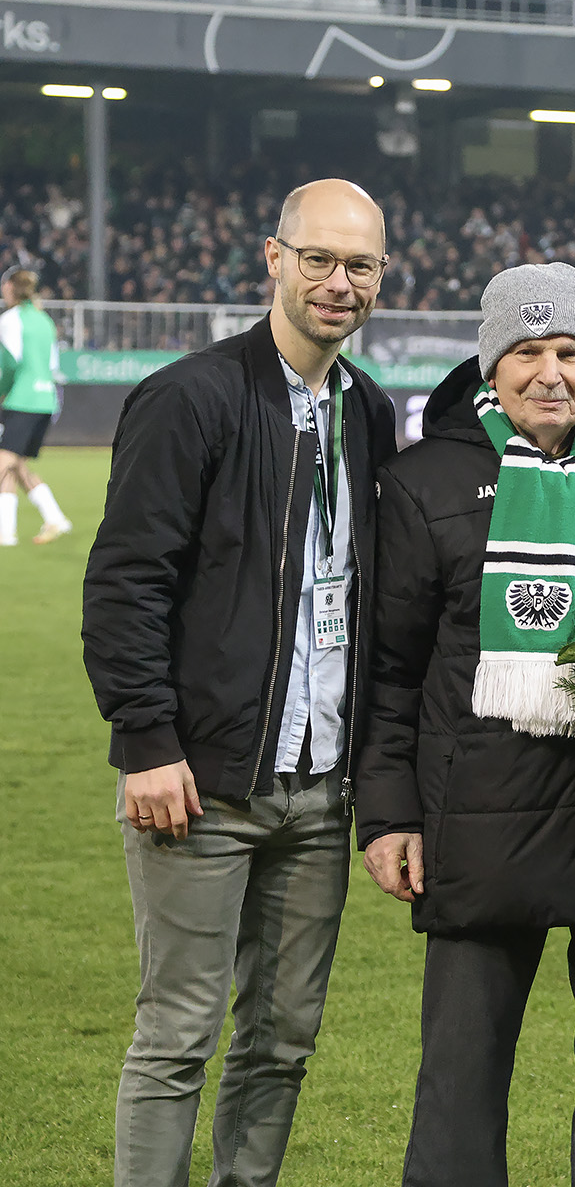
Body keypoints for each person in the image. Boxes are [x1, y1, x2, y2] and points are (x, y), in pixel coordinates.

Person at [355, 262, 575, 1187]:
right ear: (490, 363)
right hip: (479, 815)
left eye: (569, 352)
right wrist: (388, 815)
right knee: (462, 1073)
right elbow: (390, 670)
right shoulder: (422, 481)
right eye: (526, 351)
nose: (549, 374)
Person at [80, 179, 398, 1187]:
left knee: (282, 1042)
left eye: (359, 265)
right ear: (274, 258)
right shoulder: (190, 397)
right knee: (178, 1035)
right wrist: (145, 740)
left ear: (381, 276)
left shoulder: (369, 410)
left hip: (319, 792)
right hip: (200, 783)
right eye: (319, 259)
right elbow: (126, 582)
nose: (338, 282)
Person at [0, 266, 72, 545]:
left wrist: (2, 391)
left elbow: (9, 363)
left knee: (3, 462)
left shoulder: (10, 319)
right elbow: (53, 365)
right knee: (16, 465)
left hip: (22, 399)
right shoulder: (44, 320)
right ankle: (53, 519)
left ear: (10, 288)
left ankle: (7, 531)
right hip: (45, 399)